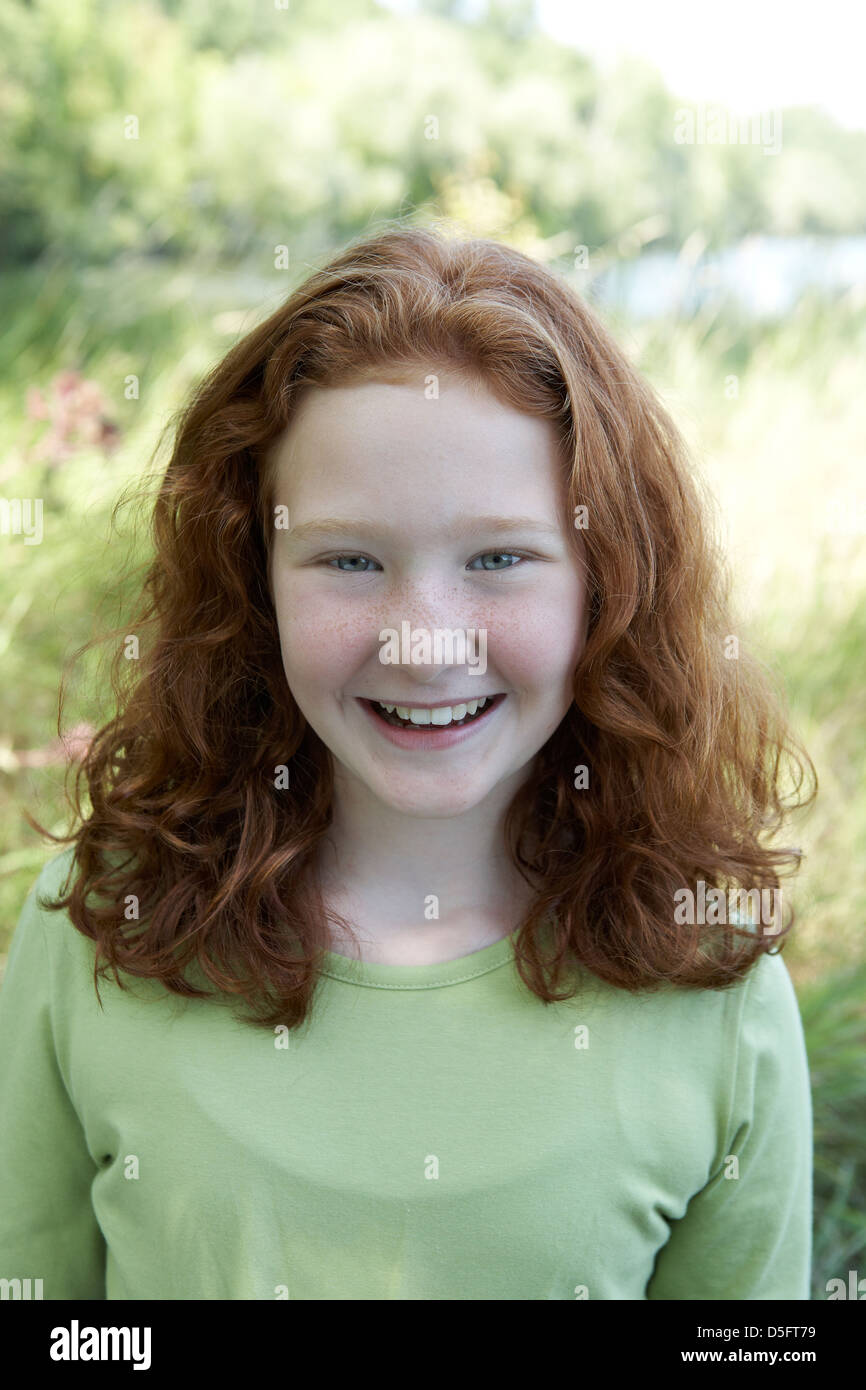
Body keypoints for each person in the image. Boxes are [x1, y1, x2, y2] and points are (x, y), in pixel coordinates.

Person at [0, 221, 817, 1300]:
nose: (424, 638)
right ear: (256, 579)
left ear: (604, 579)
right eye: (348, 557)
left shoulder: (709, 985)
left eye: (496, 558)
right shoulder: (101, 925)